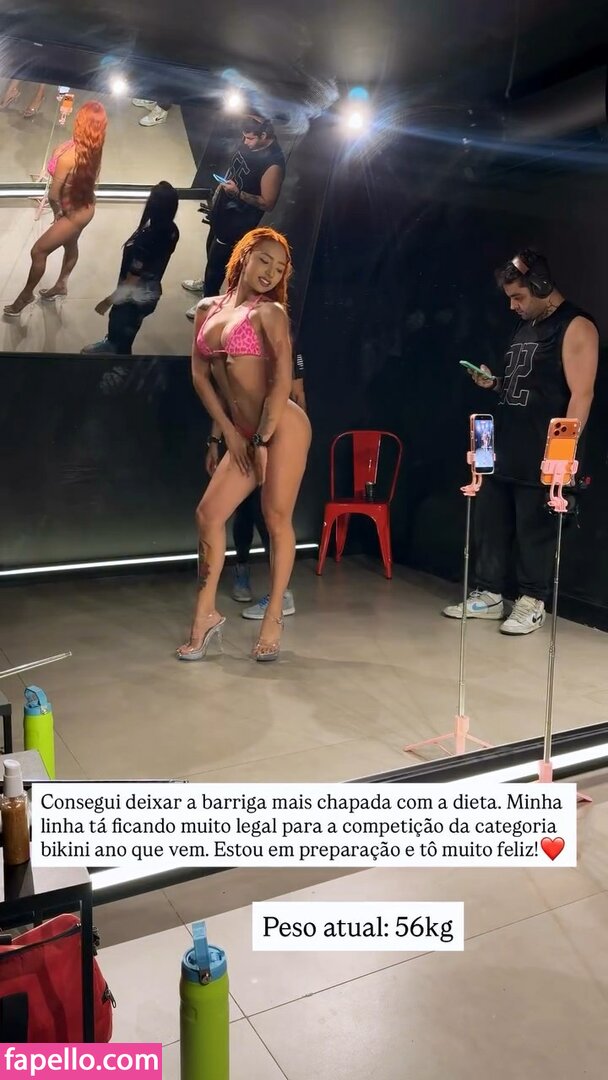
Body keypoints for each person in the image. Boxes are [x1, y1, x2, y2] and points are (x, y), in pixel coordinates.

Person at [444, 249, 598, 635]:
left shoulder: (576, 326)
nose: (513, 305)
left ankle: (532, 600)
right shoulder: (525, 326)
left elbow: (582, 395)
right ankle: (490, 594)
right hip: (507, 443)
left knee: (535, 529)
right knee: (492, 521)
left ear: (541, 286)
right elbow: (528, 387)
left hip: (543, 449)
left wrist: (561, 456)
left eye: (519, 297)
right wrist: (494, 383)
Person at [177, 226, 311, 663]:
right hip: (242, 432)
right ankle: (205, 615)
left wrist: (260, 439)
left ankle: (274, 615)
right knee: (208, 515)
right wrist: (224, 434)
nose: (271, 272)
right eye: (264, 260)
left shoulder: (270, 313)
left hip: (282, 428)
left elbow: (281, 384)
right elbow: (202, 377)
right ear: (244, 257)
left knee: (275, 519)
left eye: (280, 268)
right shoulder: (208, 308)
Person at [206, 342, 306, 616]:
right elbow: (227, 398)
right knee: (241, 509)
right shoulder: (236, 343)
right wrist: (215, 440)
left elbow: (296, 393)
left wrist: (292, 446)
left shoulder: (283, 345)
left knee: (272, 516)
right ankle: (243, 570)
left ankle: (281, 596)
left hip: (277, 436)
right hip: (247, 437)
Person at [4, 101, 107, 318]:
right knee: (71, 244)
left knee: (38, 251)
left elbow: (53, 195)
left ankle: (26, 295)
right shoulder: (93, 149)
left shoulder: (69, 157)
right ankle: (61, 284)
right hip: (84, 207)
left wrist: (57, 211)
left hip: (73, 213)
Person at [182, 114, 285, 319]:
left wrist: (238, 193)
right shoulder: (251, 141)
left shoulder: (273, 164)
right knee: (211, 249)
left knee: (217, 262)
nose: (245, 141)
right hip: (223, 209)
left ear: (264, 136)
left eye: (250, 138)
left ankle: (209, 303)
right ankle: (207, 284)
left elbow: (268, 203)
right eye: (244, 136)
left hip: (237, 221)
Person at [82, 181, 179, 354]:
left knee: (121, 330)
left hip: (134, 297)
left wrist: (108, 301)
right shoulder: (172, 231)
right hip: (151, 292)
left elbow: (132, 281)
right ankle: (113, 343)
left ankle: (115, 352)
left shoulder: (146, 240)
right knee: (130, 328)